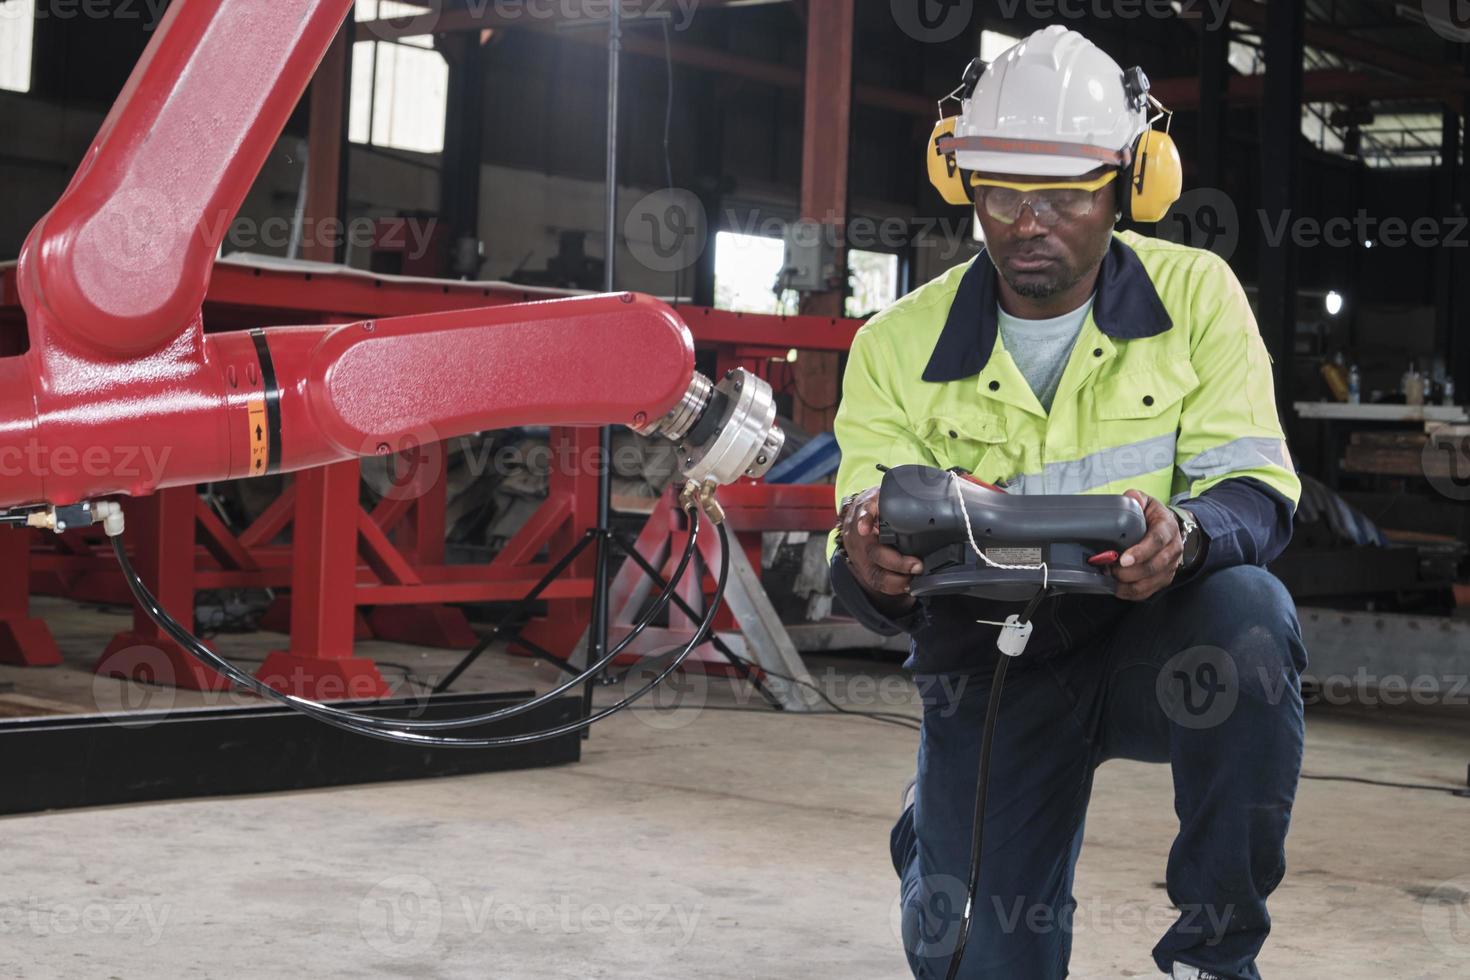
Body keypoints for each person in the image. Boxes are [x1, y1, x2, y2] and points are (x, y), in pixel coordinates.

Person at [826, 26, 1306, 980]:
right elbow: (859, 551)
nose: (1028, 221)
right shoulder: (893, 344)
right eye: (1001, 191)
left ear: (1131, 185)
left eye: (1067, 194)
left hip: (1148, 641)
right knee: (981, 959)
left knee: (1251, 615)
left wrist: (1189, 534)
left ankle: (1213, 958)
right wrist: (868, 561)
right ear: (964, 183)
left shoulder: (1198, 298)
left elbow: (1258, 492)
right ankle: (941, 838)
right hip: (991, 666)